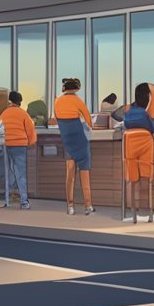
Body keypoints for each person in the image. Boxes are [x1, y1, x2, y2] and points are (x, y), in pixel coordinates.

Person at [54, 77, 95, 215]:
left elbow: (58, 120)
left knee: (70, 173)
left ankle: (70, 206)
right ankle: (88, 206)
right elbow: (89, 122)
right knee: (84, 172)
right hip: (80, 141)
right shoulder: (78, 101)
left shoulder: (57, 101)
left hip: (68, 142)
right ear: (76, 89)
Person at [121, 83, 154, 224]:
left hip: (129, 145)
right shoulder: (149, 112)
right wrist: (152, 90)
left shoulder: (128, 109)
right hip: (146, 146)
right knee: (148, 179)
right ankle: (149, 213)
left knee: (132, 179)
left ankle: (133, 214)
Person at [0, 91, 36, 209]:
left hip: (6, 145)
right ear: (20, 102)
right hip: (20, 145)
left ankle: (6, 198)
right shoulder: (24, 114)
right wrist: (30, 142)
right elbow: (31, 131)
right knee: (21, 173)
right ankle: (24, 202)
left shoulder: (4, 113)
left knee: (8, 171)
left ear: (10, 101)